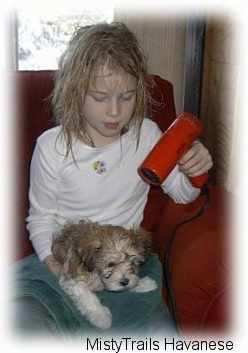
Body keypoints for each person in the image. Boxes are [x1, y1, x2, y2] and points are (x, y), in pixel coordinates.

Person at [15, 21, 213, 336]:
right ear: (75, 91)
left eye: (127, 96)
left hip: (126, 266)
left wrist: (192, 170)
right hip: (67, 263)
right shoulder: (51, 146)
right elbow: (41, 219)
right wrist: (56, 265)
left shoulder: (147, 134)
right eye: (99, 96)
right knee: (22, 322)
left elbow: (183, 195)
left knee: (163, 335)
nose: (114, 112)